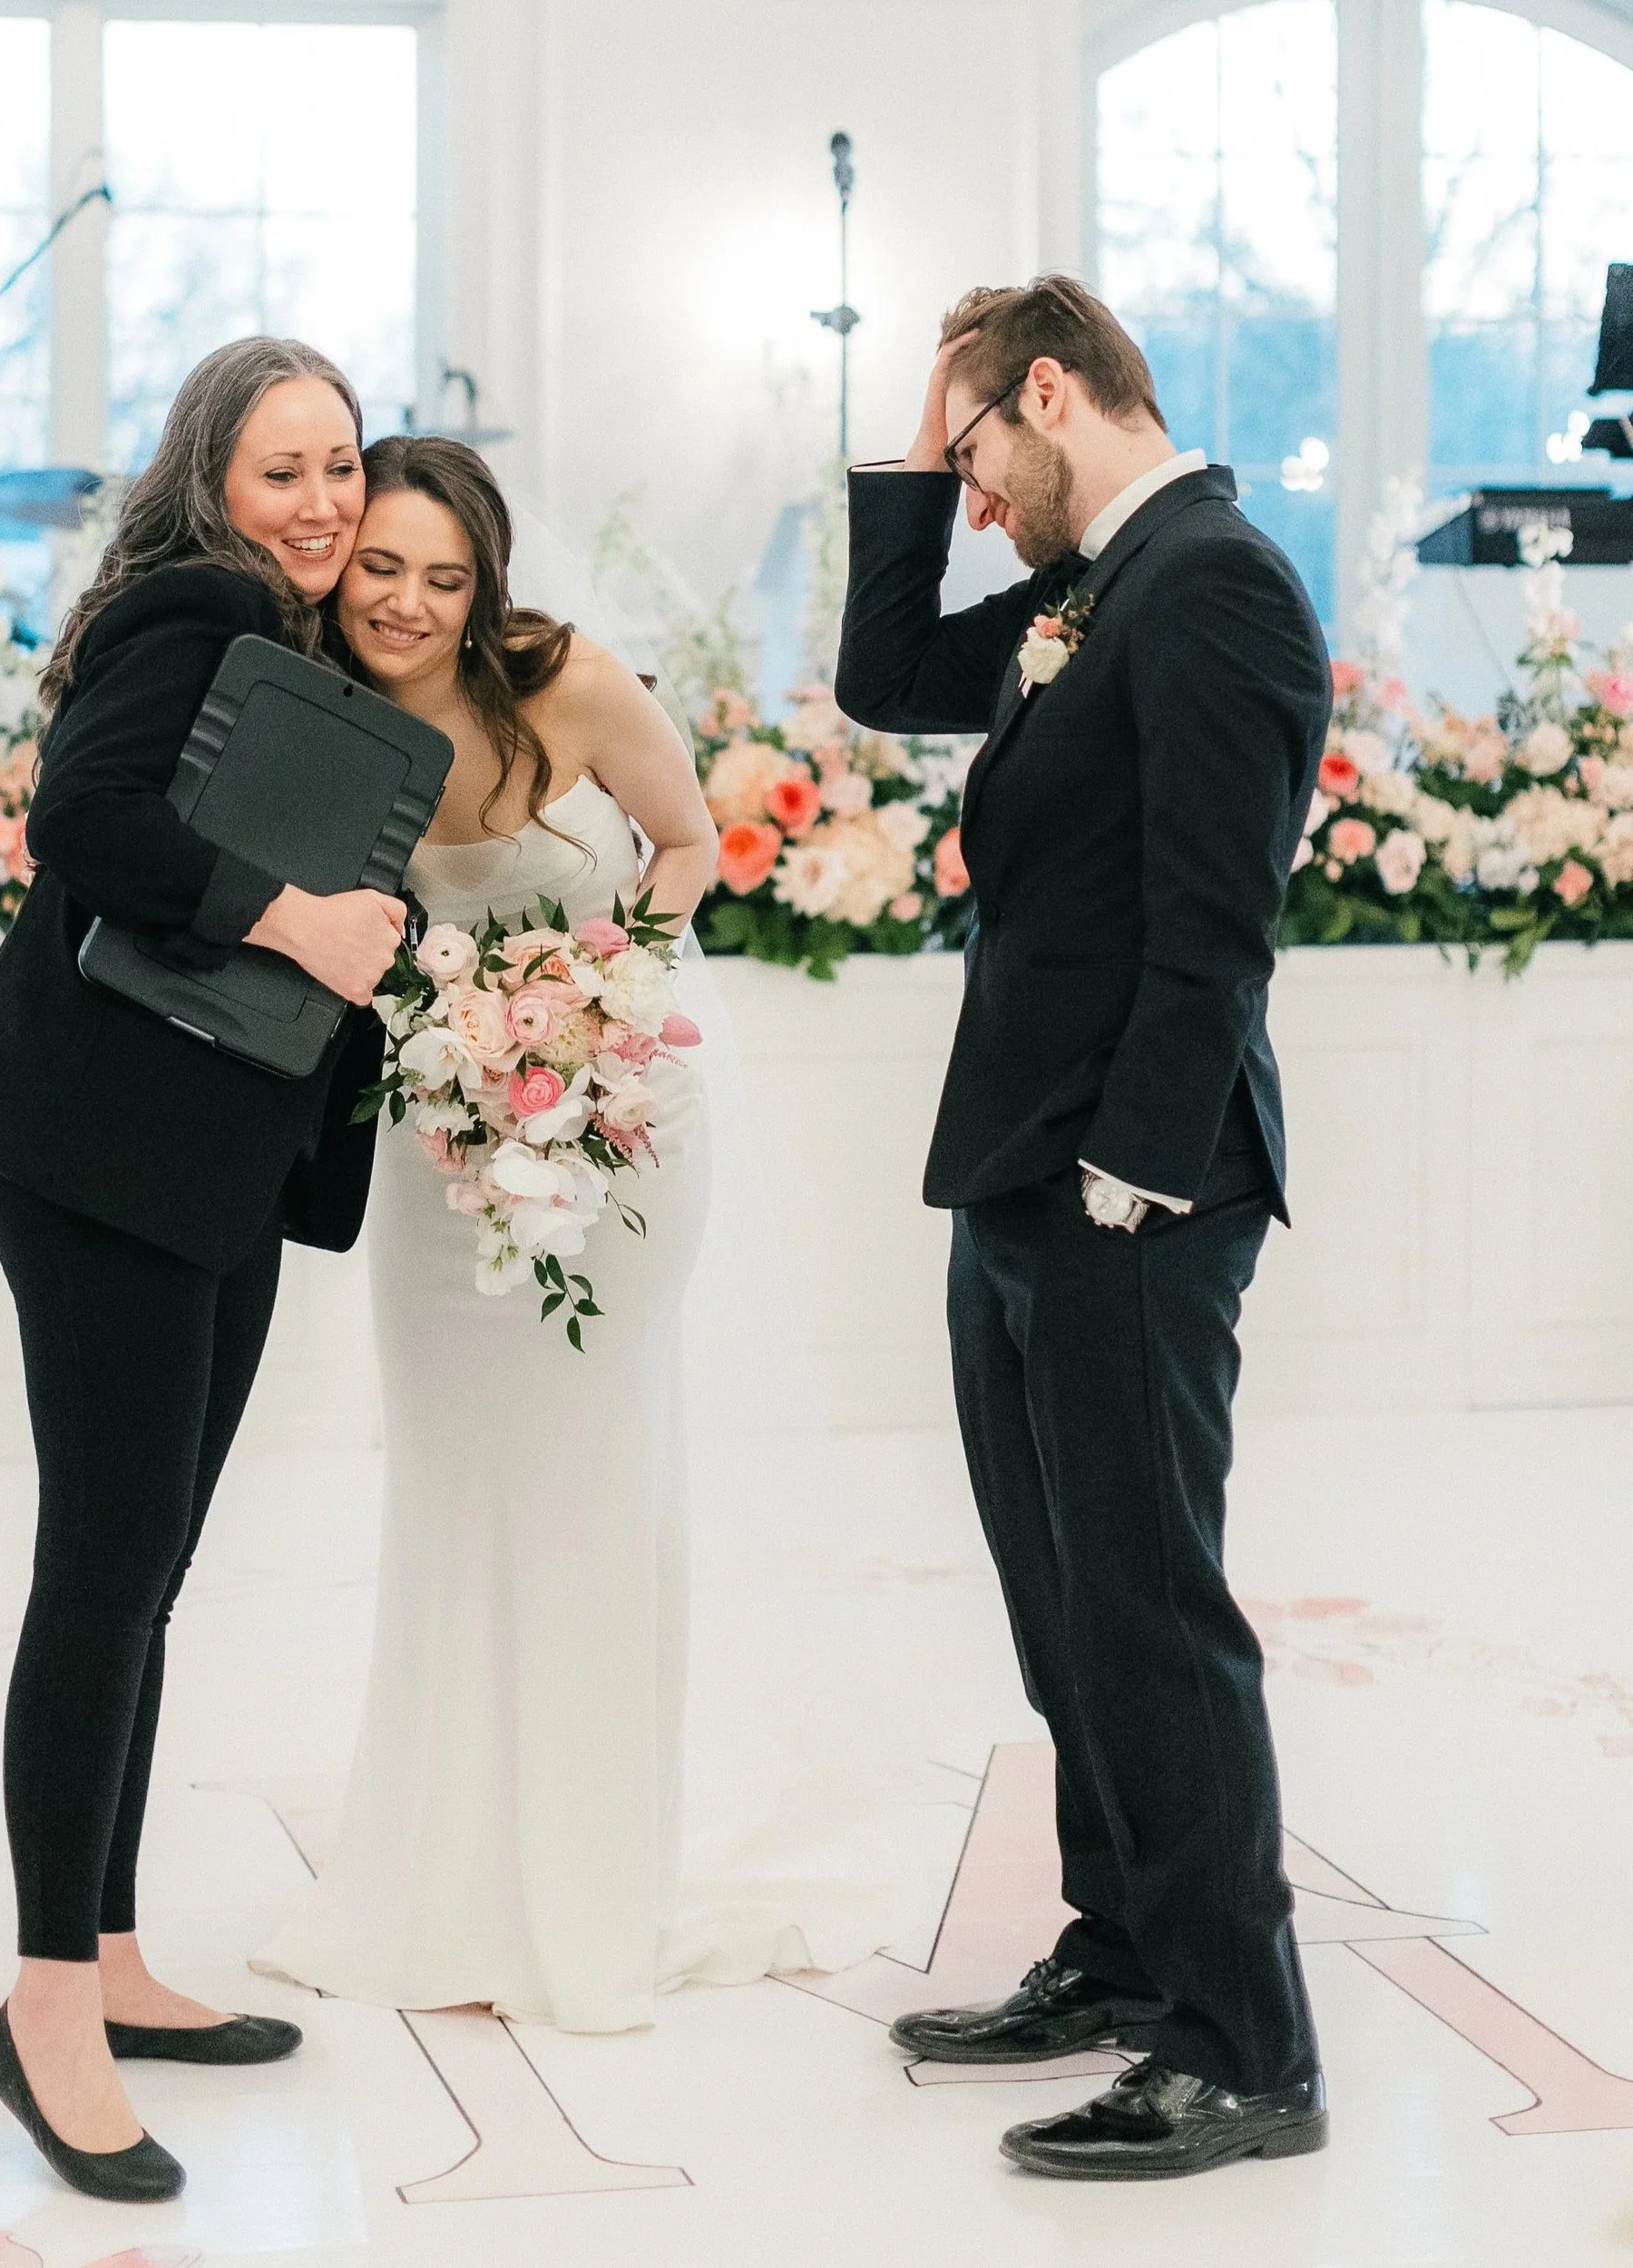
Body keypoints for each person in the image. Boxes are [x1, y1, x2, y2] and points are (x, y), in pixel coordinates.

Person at [253, 435, 849, 2034]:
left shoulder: (566, 683)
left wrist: (602, 1003)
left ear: (489, 583)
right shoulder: (308, 703)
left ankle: (591, 1880)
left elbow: (689, 844)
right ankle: (437, 1868)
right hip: (431, 1138)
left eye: (444, 577)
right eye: (379, 564)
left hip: (624, 1125)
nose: (404, 601)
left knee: (590, 1477)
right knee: (451, 1483)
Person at [834, 277, 1331, 2179]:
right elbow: (885, 681)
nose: (969, 497)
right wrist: (903, 447)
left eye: (971, 453)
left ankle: (1241, 2045)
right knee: (1064, 1610)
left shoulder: (1207, 580)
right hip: (1023, 1170)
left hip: (1133, 1182)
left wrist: (1134, 1170)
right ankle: (1125, 1949)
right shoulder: (1092, 584)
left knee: (1147, 1614)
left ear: (1052, 393)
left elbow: (1217, 920)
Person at [0, 337, 405, 2202]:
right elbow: (83, 824)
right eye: (283, 467)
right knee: (103, 1577)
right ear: (211, 477)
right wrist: (294, 914)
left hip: (199, 1164)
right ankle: (42, 2002)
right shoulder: (193, 602)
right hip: (94, 1158)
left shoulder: (294, 645)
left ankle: (107, 1949)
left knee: (146, 1575)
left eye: (341, 465)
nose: (324, 502)